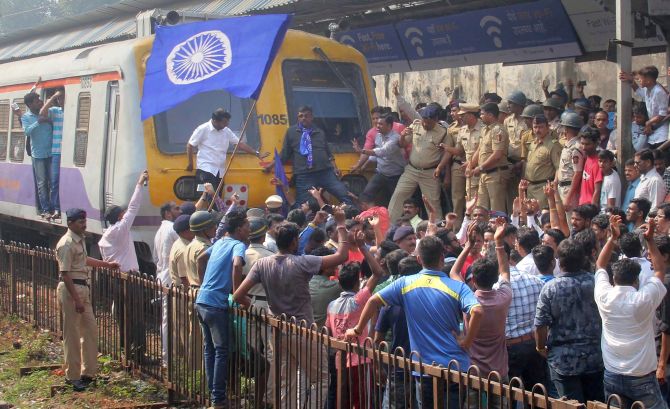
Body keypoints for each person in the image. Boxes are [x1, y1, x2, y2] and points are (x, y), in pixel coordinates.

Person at [344, 235, 484, 409]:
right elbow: (477, 310)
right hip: (455, 367)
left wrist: (357, 330)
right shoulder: (457, 287)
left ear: (419, 259)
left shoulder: (405, 283)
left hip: (425, 368)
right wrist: (467, 341)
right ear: (442, 258)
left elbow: (373, 301)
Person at [233, 208, 351, 409]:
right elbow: (342, 256)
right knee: (321, 378)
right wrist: (340, 223)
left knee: (287, 381)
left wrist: (259, 310)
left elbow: (237, 295)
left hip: (277, 329)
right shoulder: (303, 262)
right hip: (303, 331)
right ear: (295, 241)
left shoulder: (263, 264)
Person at [595, 216, 667, 409]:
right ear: (636, 281)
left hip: (611, 373)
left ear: (614, 279)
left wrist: (612, 239)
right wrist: (650, 240)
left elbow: (600, 266)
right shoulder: (641, 300)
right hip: (641, 376)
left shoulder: (604, 297)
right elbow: (660, 270)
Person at [534, 239, 604, 402]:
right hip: (594, 356)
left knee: (571, 404)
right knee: (596, 403)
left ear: (559, 261)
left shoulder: (551, 287)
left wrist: (540, 347)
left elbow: (540, 324)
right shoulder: (595, 282)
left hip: (564, 361)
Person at [56, 208, 118, 391]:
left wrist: (106, 265)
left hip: (83, 288)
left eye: (84, 221)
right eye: (80, 221)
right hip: (71, 290)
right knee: (72, 334)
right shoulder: (66, 243)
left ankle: (88, 373)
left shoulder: (79, 240)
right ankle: (72, 376)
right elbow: (65, 273)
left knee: (90, 330)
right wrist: (76, 300)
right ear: (70, 223)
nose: (84, 224)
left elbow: (84, 260)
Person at [195, 209, 249, 409]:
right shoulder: (237, 245)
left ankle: (214, 393)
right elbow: (237, 265)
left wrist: (203, 285)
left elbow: (201, 259)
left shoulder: (218, 242)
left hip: (202, 301)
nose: (249, 230)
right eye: (246, 227)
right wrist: (238, 293)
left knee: (210, 349)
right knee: (221, 351)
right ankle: (218, 399)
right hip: (216, 305)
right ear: (238, 229)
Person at [456, 218, 512, 409]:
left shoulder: (468, 299)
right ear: (494, 279)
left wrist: (468, 245)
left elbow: (454, 272)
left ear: (474, 281)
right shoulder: (503, 297)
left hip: (474, 371)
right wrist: (498, 242)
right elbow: (505, 270)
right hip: (499, 370)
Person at [326, 232, 384, 409]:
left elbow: (327, 332)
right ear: (356, 284)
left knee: (343, 400)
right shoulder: (359, 299)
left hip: (339, 360)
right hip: (360, 360)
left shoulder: (332, 305)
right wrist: (363, 248)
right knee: (362, 402)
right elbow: (378, 272)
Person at [272, 105, 352, 208]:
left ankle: (353, 217)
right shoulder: (291, 132)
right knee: (303, 205)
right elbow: (284, 153)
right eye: (301, 116)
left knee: (344, 194)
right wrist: (271, 165)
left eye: (306, 116)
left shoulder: (319, 132)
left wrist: (335, 167)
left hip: (325, 172)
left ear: (311, 117)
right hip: (304, 174)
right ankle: (305, 222)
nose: (303, 118)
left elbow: (328, 153)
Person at [387, 105, 449, 222]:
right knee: (398, 195)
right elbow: (403, 144)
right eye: (423, 121)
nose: (425, 124)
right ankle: (389, 227)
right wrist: (403, 135)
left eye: (428, 123)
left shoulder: (443, 132)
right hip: (411, 169)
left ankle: (437, 230)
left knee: (432, 202)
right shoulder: (415, 125)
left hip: (430, 172)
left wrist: (440, 167)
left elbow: (447, 152)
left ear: (435, 120)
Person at [186, 109, 266, 195]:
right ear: (215, 121)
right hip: (205, 169)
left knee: (217, 197)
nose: (227, 124)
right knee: (208, 197)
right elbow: (190, 145)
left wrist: (256, 153)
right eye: (224, 122)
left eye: (227, 122)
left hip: (220, 171)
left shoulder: (226, 131)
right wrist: (190, 164)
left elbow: (239, 144)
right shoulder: (203, 129)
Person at [352, 115, 407, 207]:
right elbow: (376, 155)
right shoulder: (378, 136)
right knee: (366, 196)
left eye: (381, 124)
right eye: (377, 123)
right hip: (381, 173)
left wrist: (361, 150)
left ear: (389, 126)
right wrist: (362, 165)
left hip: (395, 176)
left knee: (398, 202)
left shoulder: (395, 138)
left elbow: (382, 152)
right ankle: (372, 217)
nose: (377, 126)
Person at [99, 170, 148, 273]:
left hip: (114, 274)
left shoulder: (106, 234)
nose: (125, 213)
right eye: (122, 212)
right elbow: (133, 207)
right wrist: (139, 184)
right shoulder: (121, 228)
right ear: (119, 216)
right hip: (127, 275)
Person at [153, 201, 181, 366]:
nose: (179, 211)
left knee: (167, 319)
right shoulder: (172, 229)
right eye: (176, 209)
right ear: (168, 214)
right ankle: (168, 358)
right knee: (170, 319)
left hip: (162, 276)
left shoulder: (160, 230)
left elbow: (156, 258)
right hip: (169, 278)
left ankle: (168, 357)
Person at [472, 103, 511, 213]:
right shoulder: (485, 130)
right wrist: (471, 165)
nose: (480, 116)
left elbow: (497, 155)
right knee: (480, 208)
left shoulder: (498, 130)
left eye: (482, 114)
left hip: (495, 174)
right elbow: (480, 150)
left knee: (496, 209)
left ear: (490, 115)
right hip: (484, 174)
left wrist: (480, 168)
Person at [620, 66, 669, 149]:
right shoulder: (648, 89)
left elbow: (662, 114)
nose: (639, 81)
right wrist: (631, 81)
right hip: (652, 133)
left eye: (640, 79)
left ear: (648, 80)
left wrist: (648, 123)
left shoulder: (659, 92)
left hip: (662, 134)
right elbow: (639, 92)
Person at [22, 92, 53, 219]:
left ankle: (53, 206)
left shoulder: (46, 112)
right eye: (36, 100)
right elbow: (26, 131)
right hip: (38, 155)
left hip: (51, 153)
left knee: (53, 181)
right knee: (42, 183)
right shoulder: (26, 117)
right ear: (30, 104)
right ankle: (45, 209)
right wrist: (38, 122)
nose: (39, 102)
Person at [523, 115, 561, 208]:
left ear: (547, 128)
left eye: (541, 127)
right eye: (535, 127)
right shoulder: (532, 143)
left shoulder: (553, 145)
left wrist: (554, 185)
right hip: (530, 187)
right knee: (530, 217)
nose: (537, 130)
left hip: (543, 188)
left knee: (543, 217)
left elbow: (559, 168)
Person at [40, 88, 64, 220]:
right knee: (54, 181)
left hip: (67, 152)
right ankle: (57, 208)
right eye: (59, 99)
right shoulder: (55, 111)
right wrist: (53, 97)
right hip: (56, 152)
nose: (60, 101)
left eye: (62, 98)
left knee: (64, 181)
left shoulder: (72, 112)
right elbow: (42, 113)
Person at [555, 112, 584, 210]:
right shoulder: (568, 144)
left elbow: (577, 173)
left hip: (569, 188)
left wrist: (569, 197)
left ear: (566, 129)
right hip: (561, 186)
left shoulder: (576, 147)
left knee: (571, 221)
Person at [505, 91, 528, 212]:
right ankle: (512, 215)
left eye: (511, 103)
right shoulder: (507, 121)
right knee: (511, 193)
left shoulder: (527, 121)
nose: (508, 106)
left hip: (524, 161)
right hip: (510, 161)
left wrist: (521, 162)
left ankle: (523, 217)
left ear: (519, 105)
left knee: (524, 191)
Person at [186, 211, 218, 287]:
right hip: (203, 293)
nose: (215, 227)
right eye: (211, 226)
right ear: (204, 230)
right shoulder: (205, 248)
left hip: (193, 292)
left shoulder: (190, 245)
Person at [576, 127, 602, 206]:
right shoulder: (588, 157)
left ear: (596, 143)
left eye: (587, 144)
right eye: (582, 143)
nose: (583, 147)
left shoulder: (599, 163)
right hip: (582, 204)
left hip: (589, 206)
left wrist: (592, 209)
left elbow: (597, 190)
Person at [168, 214, 193, 287]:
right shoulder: (184, 250)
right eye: (192, 228)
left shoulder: (179, 242)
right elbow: (185, 279)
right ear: (184, 232)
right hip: (184, 295)